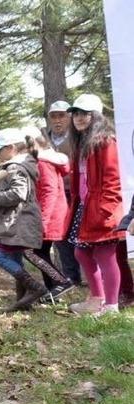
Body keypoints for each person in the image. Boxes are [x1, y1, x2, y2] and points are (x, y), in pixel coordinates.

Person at [65, 94, 126, 315]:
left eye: (85, 114)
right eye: (76, 114)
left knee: (105, 255)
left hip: (102, 208)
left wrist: (106, 210)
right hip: (85, 207)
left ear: (96, 116)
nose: (79, 118)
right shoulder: (80, 143)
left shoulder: (106, 141)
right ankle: (97, 299)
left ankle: (111, 307)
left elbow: (113, 179)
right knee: (81, 253)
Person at [0, 128, 46, 312]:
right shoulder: (16, 166)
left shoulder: (15, 168)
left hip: (16, 222)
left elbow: (18, 193)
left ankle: (35, 287)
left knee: (0, 256)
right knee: (14, 258)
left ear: (11, 148)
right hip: (15, 221)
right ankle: (23, 301)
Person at [22, 126, 75, 302]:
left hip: (50, 216)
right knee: (41, 252)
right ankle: (53, 292)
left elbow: (49, 191)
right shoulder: (46, 160)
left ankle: (62, 282)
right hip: (51, 214)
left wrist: (42, 221)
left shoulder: (43, 162)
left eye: (26, 147)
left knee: (31, 252)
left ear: (34, 144)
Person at [46, 100, 82, 286]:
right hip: (54, 194)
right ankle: (71, 276)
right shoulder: (45, 139)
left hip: (76, 192)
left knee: (80, 232)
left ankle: (89, 275)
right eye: (54, 116)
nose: (58, 120)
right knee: (60, 235)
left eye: (62, 115)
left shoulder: (78, 137)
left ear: (69, 117)